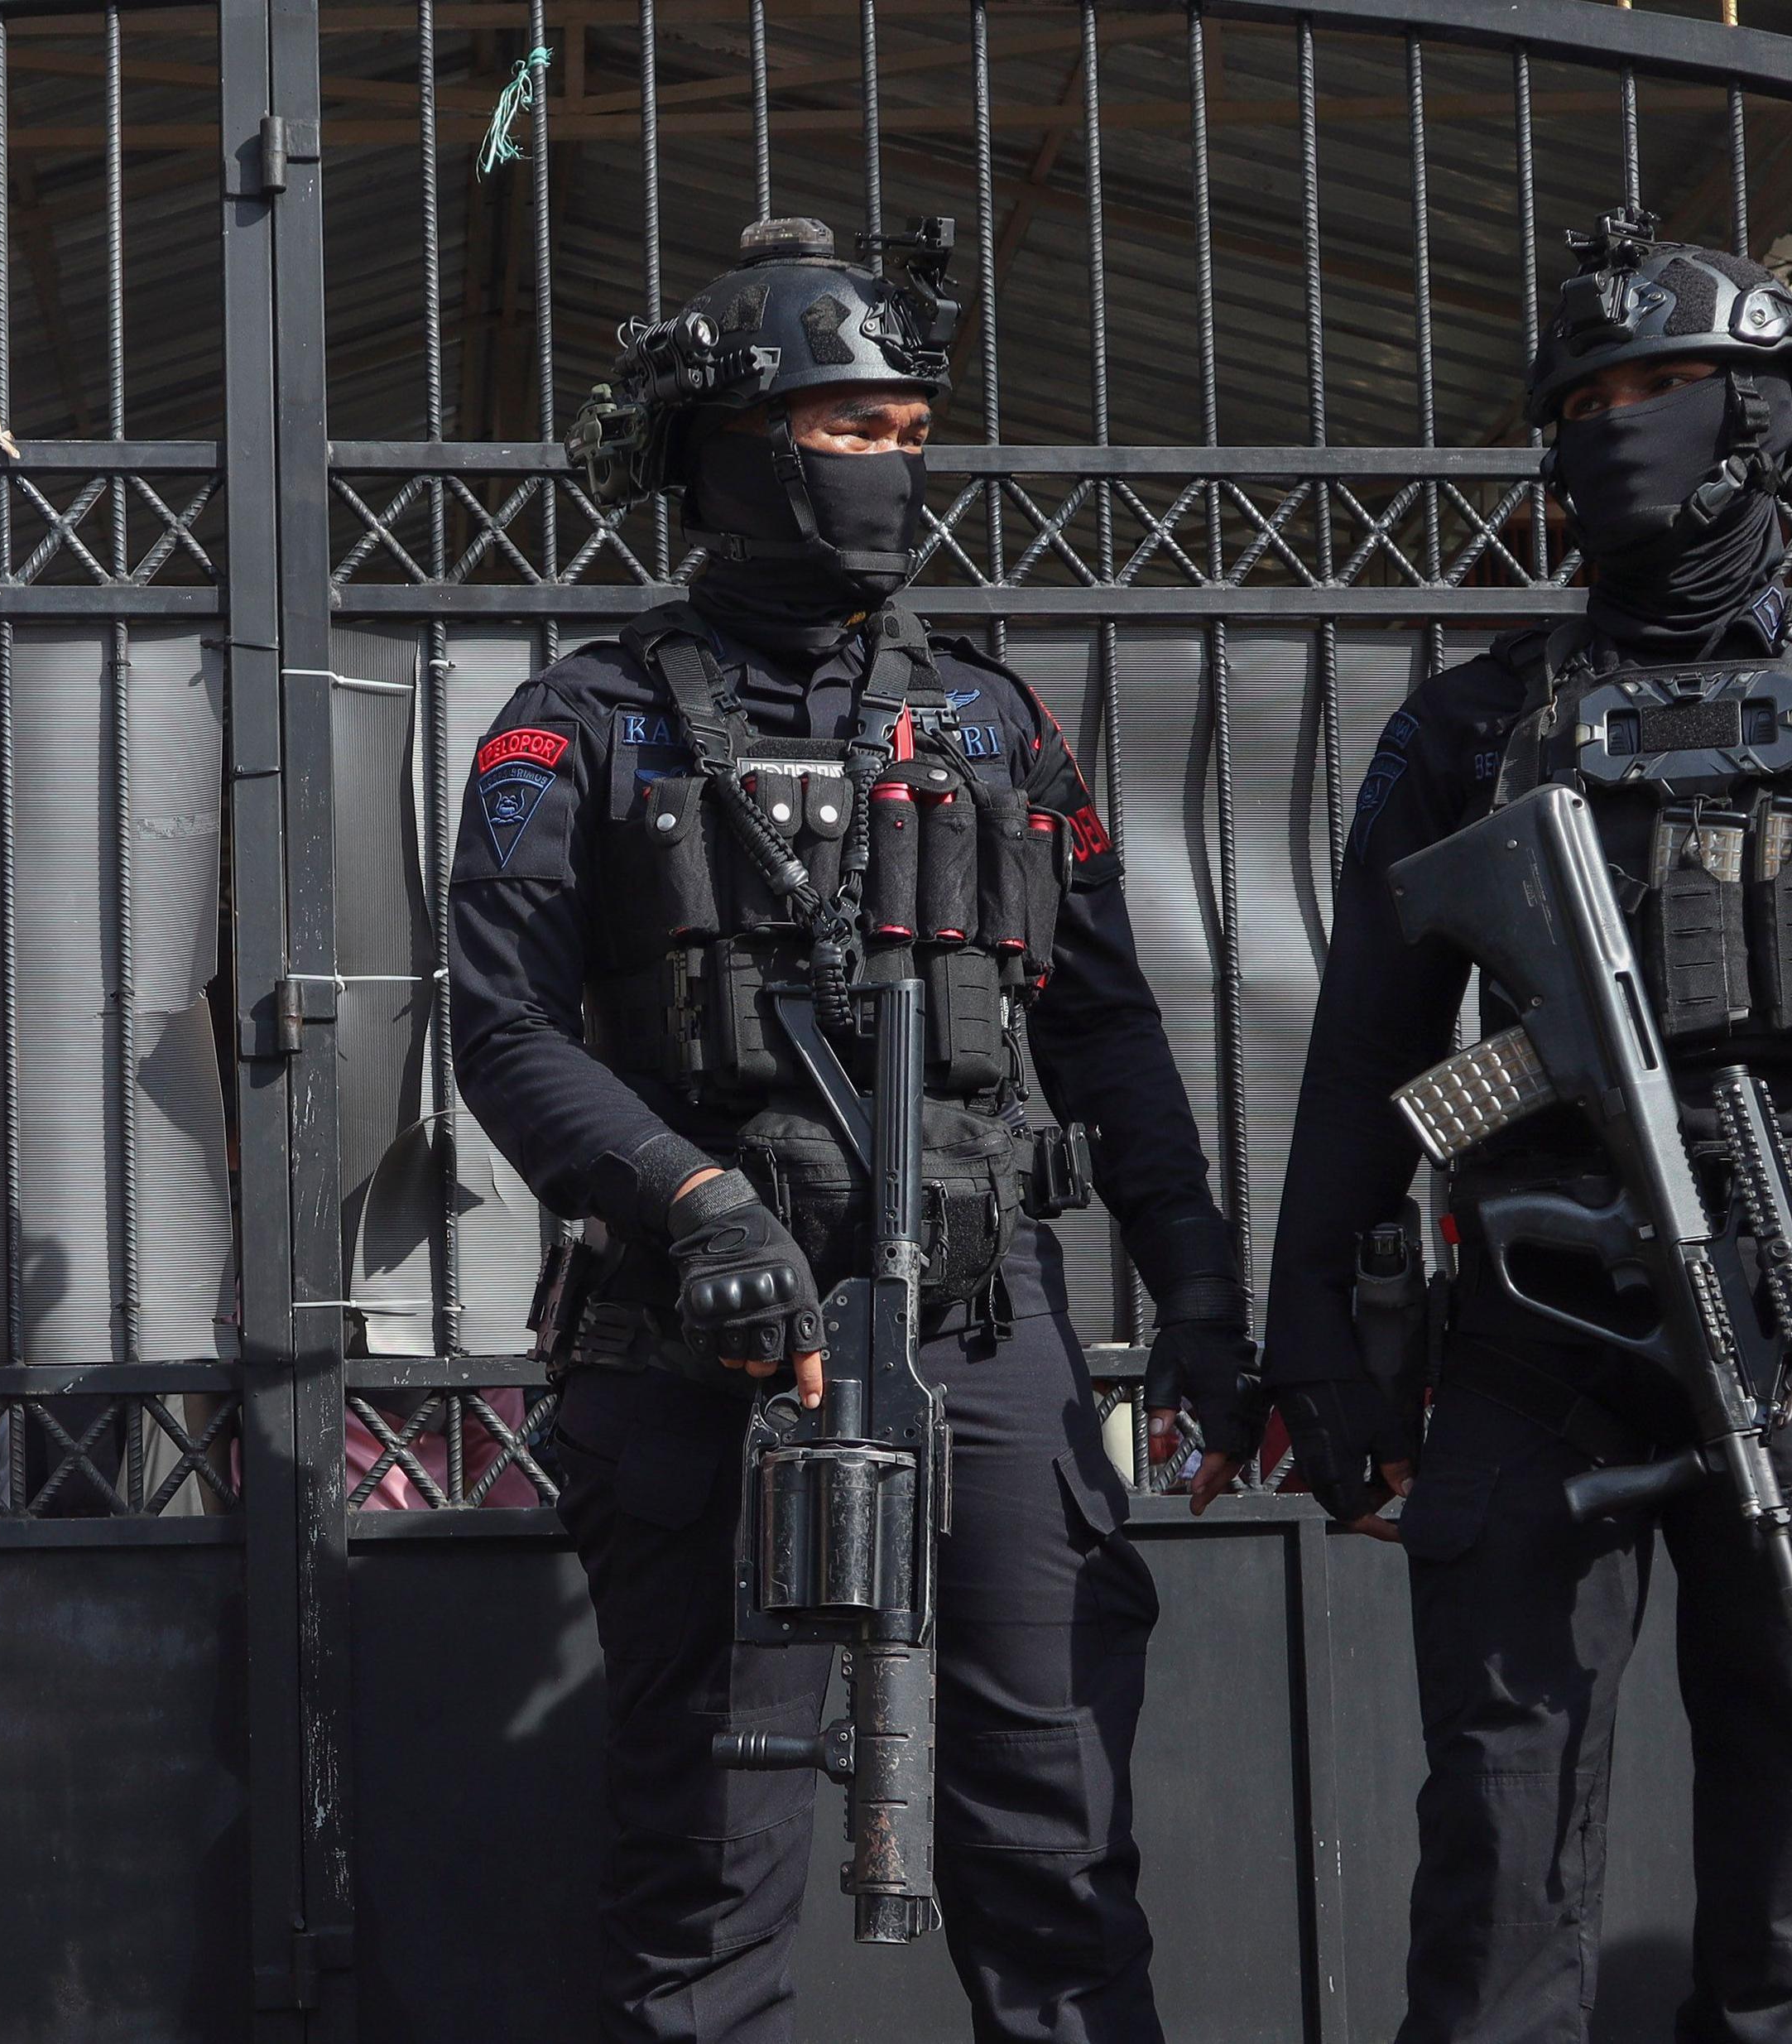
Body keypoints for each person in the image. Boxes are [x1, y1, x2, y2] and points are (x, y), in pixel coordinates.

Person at [1232, 209, 1792, 2043]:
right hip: (1532, 1330)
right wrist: (1321, 1357)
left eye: (1666, 385)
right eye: (1588, 396)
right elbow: (1368, 1060)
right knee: (1495, 1839)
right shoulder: (1462, 727)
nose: (1621, 422)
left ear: (1763, 415)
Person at [450, 215, 1255, 2044]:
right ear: (728, 449)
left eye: (906, 428)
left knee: (1051, 1842)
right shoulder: (573, 726)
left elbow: (1109, 1035)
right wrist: (693, 1194)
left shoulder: (990, 718)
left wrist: (1198, 1297)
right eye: (843, 427)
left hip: (982, 1329)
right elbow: (495, 1029)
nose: (888, 463)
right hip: (700, 1345)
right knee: (709, 1859)